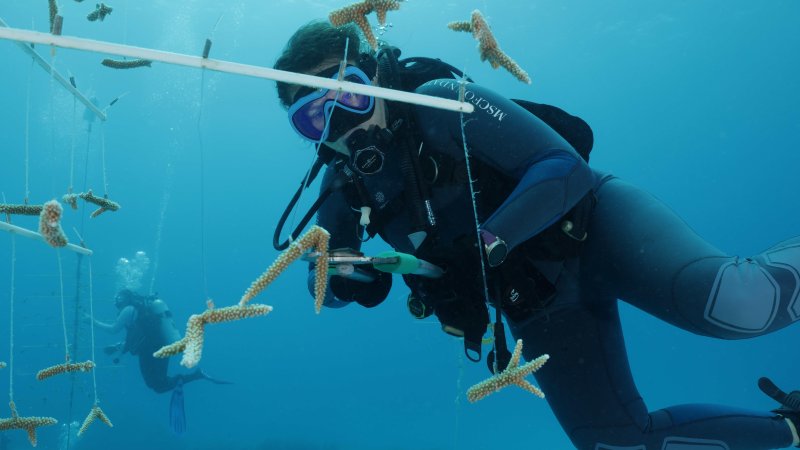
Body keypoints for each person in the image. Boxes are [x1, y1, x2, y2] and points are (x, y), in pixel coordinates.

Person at [272, 21, 800, 450]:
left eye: (348, 94)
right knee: (615, 442)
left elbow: (562, 166)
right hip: (539, 297)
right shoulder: (342, 185)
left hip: (595, 225)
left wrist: (488, 242)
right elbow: (327, 285)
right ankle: (793, 429)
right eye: (314, 118)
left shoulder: (440, 102)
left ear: (374, 77)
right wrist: (346, 278)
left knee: (740, 303)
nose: (341, 122)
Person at [95, 289, 227, 434]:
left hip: (151, 351)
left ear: (123, 299)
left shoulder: (129, 310)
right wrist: (117, 347)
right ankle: (195, 375)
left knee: (157, 386)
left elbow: (114, 330)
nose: (116, 303)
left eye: (118, 299)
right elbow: (136, 336)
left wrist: (91, 321)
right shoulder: (139, 311)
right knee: (158, 384)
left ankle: (195, 375)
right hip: (160, 348)